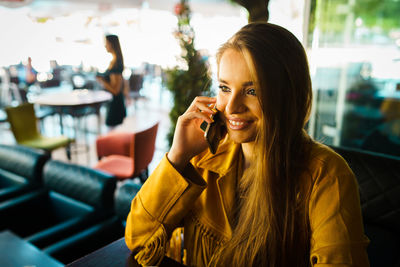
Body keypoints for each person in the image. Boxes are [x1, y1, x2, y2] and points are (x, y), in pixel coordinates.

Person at [125, 23, 370, 267]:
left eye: (252, 90)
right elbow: (138, 238)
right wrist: (177, 157)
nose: (231, 107)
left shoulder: (326, 174)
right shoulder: (204, 156)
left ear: (288, 95)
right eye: (224, 88)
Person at [96, 34, 126, 127]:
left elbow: (116, 90)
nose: (105, 45)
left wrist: (102, 80)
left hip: (116, 104)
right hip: (115, 103)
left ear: (112, 44)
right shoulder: (115, 61)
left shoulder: (116, 63)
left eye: (106, 43)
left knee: (114, 133)